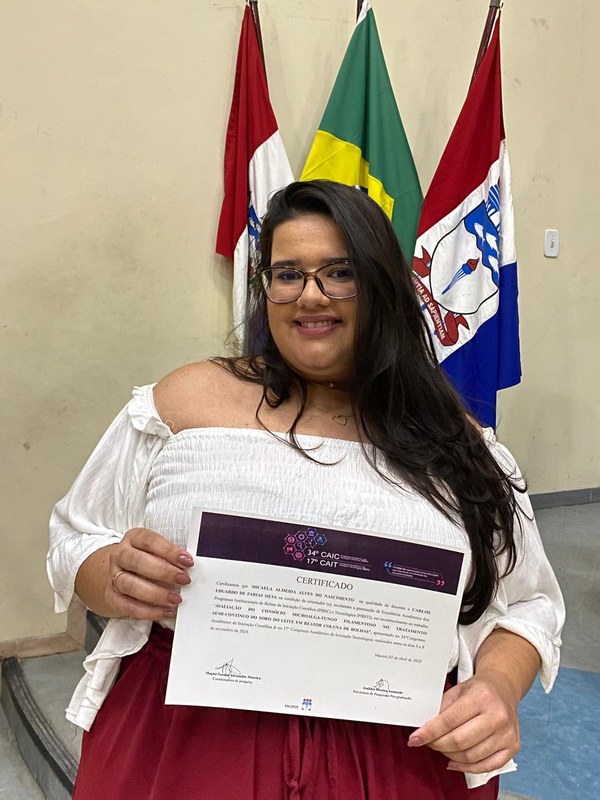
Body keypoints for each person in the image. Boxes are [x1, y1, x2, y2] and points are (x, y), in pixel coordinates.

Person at [48, 180, 564, 800]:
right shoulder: (182, 404)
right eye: (287, 274)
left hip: (397, 755)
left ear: (382, 285)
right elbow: (76, 535)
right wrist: (112, 573)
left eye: (339, 272)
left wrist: (498, 686)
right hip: (185, 739)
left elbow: (528, 603)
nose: (310, 295)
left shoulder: (460, 446)